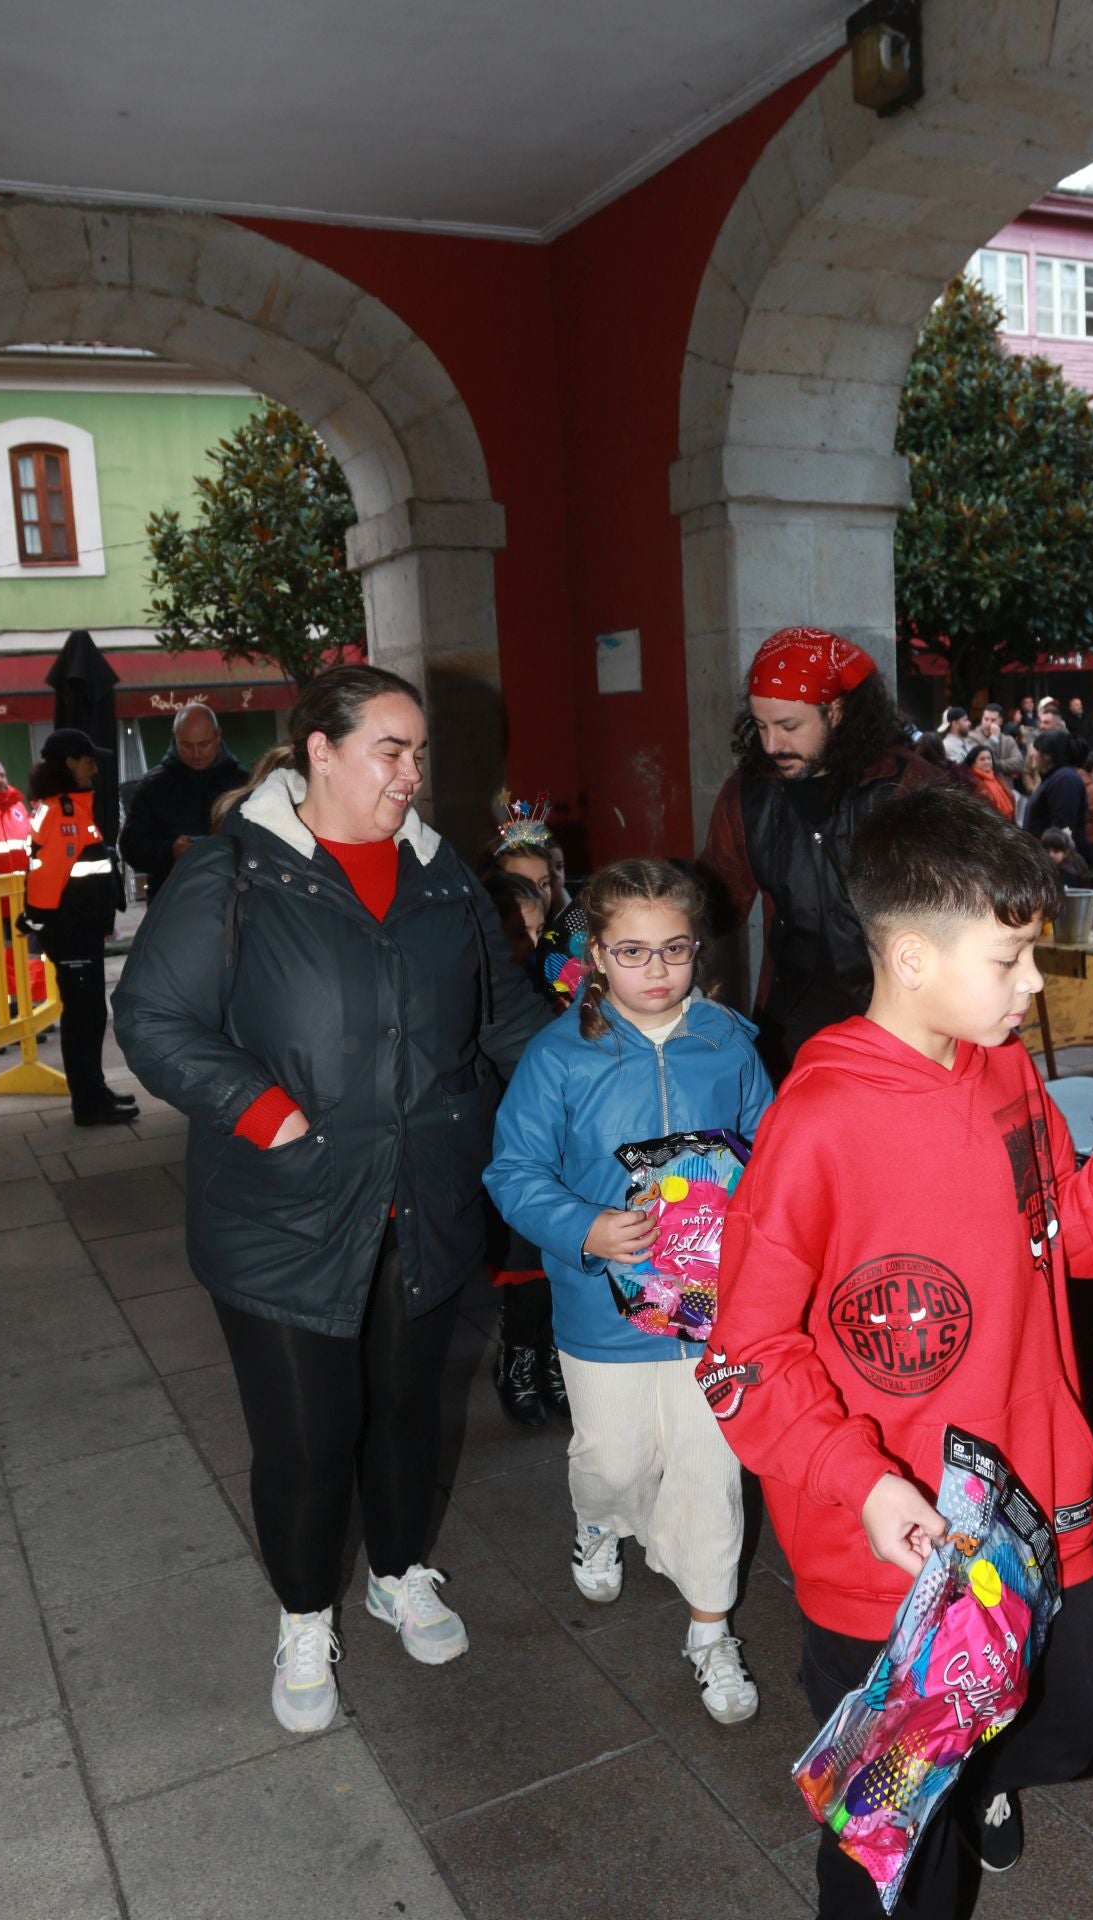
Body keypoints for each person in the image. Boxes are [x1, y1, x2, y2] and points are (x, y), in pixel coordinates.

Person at [702, 783, 1093, 1919]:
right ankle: (938, 1785)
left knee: (1086, 1704)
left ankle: (971, 1766)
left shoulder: (1002, 1070)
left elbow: (1061, 1235)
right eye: (1006, 962)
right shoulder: (819, 1124)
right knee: (885, 1846)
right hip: (893, 1545)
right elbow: (744, 1356)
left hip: (1038, 1491)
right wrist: (861, 1485)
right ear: (906, 955)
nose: (1029, 988)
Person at [113, 664, 545, 1735]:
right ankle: (305, 1612)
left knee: (407, 1410)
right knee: (307, 1439)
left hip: (425, 1195)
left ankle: (398, 1571)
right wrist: (262, 1108)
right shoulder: (233, 875)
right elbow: (154, 1018)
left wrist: (616, 1069)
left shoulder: (447, 881)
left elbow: (509, 1026)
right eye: (388, 750)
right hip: (284, 1206)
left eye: (416, 753)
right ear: (318, 748)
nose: (411, 774)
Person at [485, 857, 773, 1723]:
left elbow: (773, 1147)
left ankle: (709, 1630)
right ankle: (601, 1519)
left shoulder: (728, 1042)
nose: (657, 972)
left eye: (675, 951)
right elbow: (512, 1169)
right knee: (612, 1459)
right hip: (600, 1309)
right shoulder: (559, 1054)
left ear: (698, 949)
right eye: (634, 952)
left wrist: (751, 1216)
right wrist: (583, 1226)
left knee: (709, 1469)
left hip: (712, 1309)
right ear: (597, 955)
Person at [698, 627, 936, 1082]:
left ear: (838, 712)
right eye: (761, 725)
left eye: (789, 727)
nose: (771, 745)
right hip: (790, 1023)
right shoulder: (748, 793)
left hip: (897, 1022)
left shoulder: (909, 788)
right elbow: (714, 901)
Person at [480, 865, 569, 1428]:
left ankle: (555, 1356)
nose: (531, 945)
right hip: (506, 1148)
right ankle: (519, 1354)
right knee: (522, 1265)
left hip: (553, 1145)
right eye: (517, 933)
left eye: (538, 932)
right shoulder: (481, 990)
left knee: (555, 1261)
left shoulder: (555, 988)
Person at [20, 730, 137, 1127]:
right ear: (70, 763)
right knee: (83, 1017)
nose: (95, 766)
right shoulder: (65, 813)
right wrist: (35, 919)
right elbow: (47, 878)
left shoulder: (65, 808)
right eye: (89, 759)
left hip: (77, 929)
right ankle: (88, 1103)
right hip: (71, 931)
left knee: (87, 1015)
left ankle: (94, 1091)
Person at [119, 702, 250, 901]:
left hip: (234, 899)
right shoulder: (152, 787)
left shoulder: (244, 784)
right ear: (175, 739)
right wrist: (170, 851)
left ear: (218, 736)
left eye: (203, 744)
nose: (196, 754)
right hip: (173, 901)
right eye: (187, 745)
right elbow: (131, 848)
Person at [1023, 730, 1092, 864]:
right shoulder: (1054, 778)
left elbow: (1062, 827)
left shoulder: (1064, 780)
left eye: (1036, 750)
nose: (1032, 754)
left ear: (1047, 756)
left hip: (1059, 864)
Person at [965, 703, 1024, 785]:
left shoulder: (1008, 740)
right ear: (982, 719)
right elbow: (979, 761)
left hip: (1006, 789)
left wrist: (995, 764)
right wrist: (993, 739)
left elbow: (1019, 764)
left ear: (1000, 721)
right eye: (986, 719)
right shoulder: (971, 737)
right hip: (982, 789)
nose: (988, 723)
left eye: (993, 720)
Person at [962, 741, 1015, 819]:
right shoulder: (971, 782)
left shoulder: (997, 776)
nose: (987, 762)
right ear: (973, 763)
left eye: (989, 758)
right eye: (982, 759)